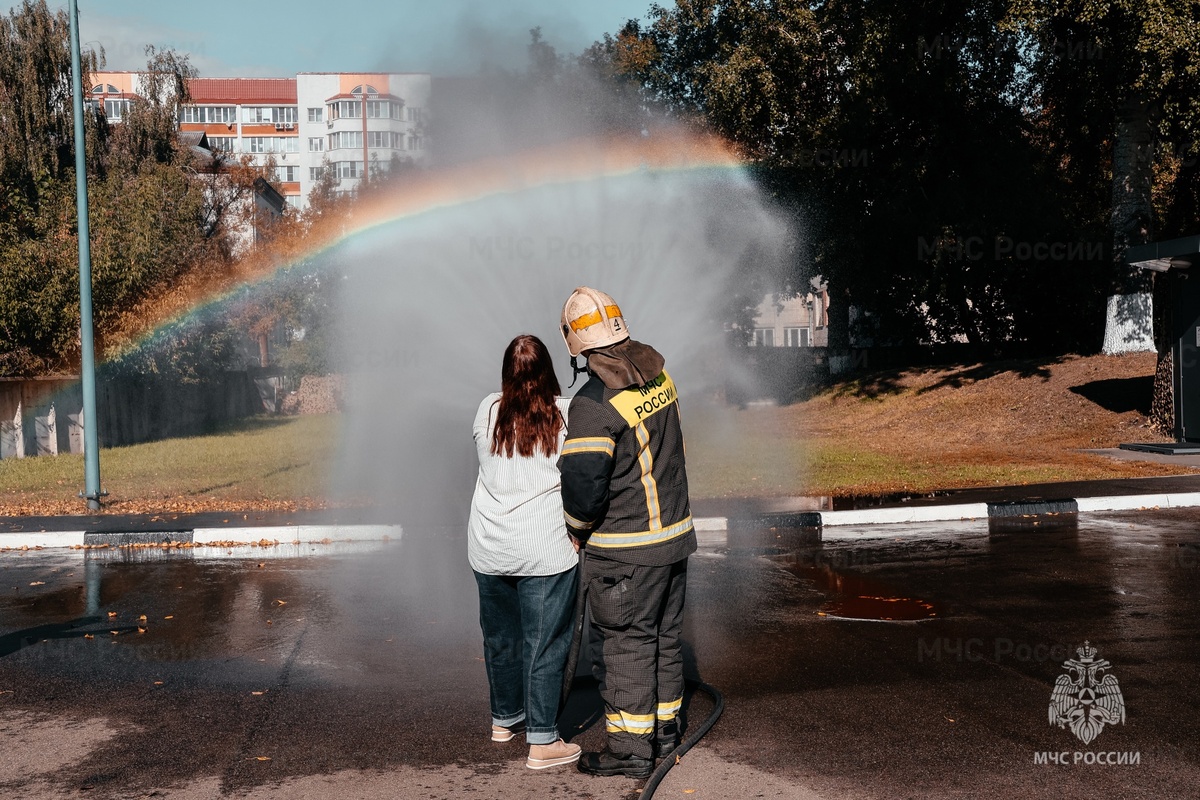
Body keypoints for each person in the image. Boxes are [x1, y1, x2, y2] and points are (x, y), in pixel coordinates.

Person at [557, 287, 697, 778]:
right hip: (673, 540)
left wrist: (576, 528)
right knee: (663, 635)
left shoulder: (593, 405)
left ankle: (631, 752)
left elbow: (583, 487)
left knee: (626, 644)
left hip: (625, 552)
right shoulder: (660, 379)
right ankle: (664, 731)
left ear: (577, 345)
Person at [468, 334, 582, 771]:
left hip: (490, 545)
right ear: (550, 371)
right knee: (544, 644)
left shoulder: (488, 409)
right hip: (546, 547)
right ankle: (542, 742)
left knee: (502, 639)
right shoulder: (568, 415)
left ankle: (504, 719)